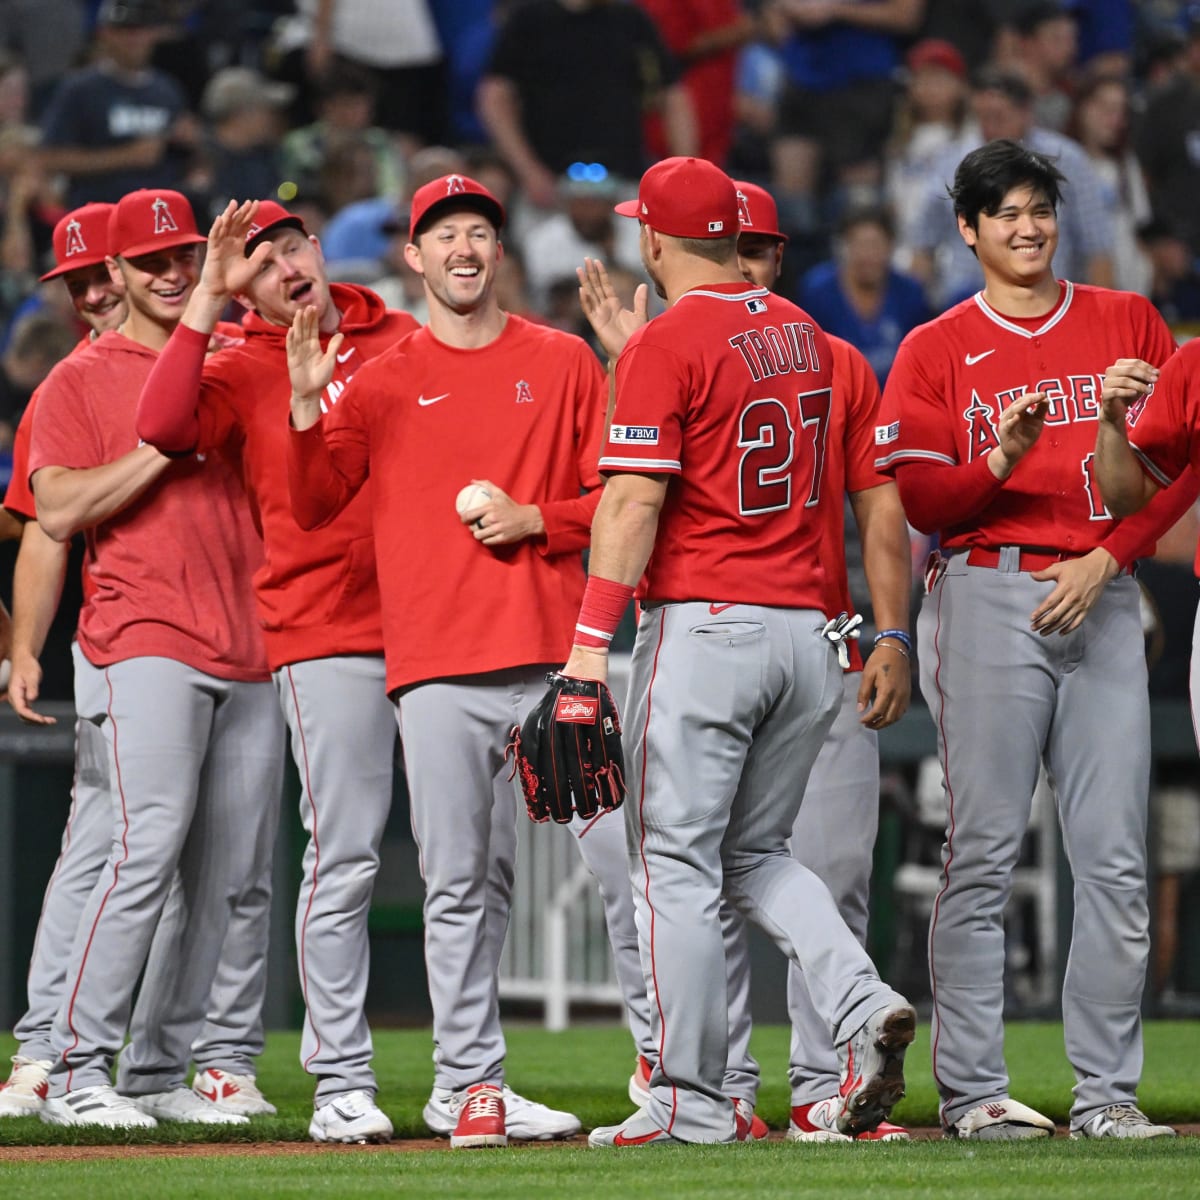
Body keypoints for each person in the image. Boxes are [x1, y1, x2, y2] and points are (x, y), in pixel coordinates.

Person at [559, 155, 916, 1147]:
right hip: (812, 637)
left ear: (652, 240)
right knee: (756, 856)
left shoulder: (667, 342)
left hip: (709, 625)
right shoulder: (810, 336)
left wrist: (590, 648)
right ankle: (860, 1002)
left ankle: (686, 1103)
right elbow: (873, 502)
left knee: (670, 864)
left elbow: (633, 502)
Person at [286, 172, 607, 1148]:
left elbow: (619, 505)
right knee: (461, 881)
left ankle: (676, 1077)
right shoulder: (375, 380)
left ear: (499, 252)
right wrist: (304, 406)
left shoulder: (564, 362)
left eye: (479, 232)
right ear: (413, 257)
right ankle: (471, 1085)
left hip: (559, 665)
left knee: (627, 866)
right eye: (443, 234)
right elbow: (310, 504)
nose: (463, 248)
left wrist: (535, 520)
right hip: (434, 668)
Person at [875, 138, 1177, 1140]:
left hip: (1101, 592)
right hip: (985, 590)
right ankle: (971, 1091)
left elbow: (1185, 462)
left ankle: (1106, 1095)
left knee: (1116, 857)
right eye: (1003, 211)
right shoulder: (934, 345)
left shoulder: (1126, 318)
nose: (1027, 226)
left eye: (1038, 207)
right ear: (966, 229)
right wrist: (1000, 458)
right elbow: (921, 495)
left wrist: (1112, 557)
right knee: (984, 851)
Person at [134, 197, 419, 1141]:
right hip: (325, 628)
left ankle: (472, 1078)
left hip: (438, 626)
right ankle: (340, 1079)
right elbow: (167, 426)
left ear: (317, 246)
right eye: (260, 263)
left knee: (477, 866)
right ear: (246, 288)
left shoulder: (400, 334)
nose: (286, 266)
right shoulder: (239, 361)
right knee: (344, 858)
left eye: (292, 244)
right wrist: (206, 299)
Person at [27, 188, 285, 1128]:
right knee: (144, 854)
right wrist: (158, 451)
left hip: (253, 637)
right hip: (144, 636)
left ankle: (157, 1069)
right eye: (153, 263)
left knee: (232, 873)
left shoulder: (234, 362)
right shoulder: (81, 378)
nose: (173, 274)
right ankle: (73, 1064)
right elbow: (54, 510)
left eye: (183, 256)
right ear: (117, 277)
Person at [477, 0, 697, 210]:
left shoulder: (631, 20)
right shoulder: (529, 20)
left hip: (625, 181)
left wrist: (681, 173)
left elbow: (673, 94)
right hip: (551, 185)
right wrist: (528, 171)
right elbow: (495, 97)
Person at [37, 0, 197, 209]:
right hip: (99, 214)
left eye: (140, 30)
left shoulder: (167, 90)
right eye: (124, 31)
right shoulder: (80, 89)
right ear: (104, 34)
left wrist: (194, 141)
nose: (133, 39)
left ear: (153, 34)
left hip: (157, 217)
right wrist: (125, 156)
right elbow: (50, 158)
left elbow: (191, 160)